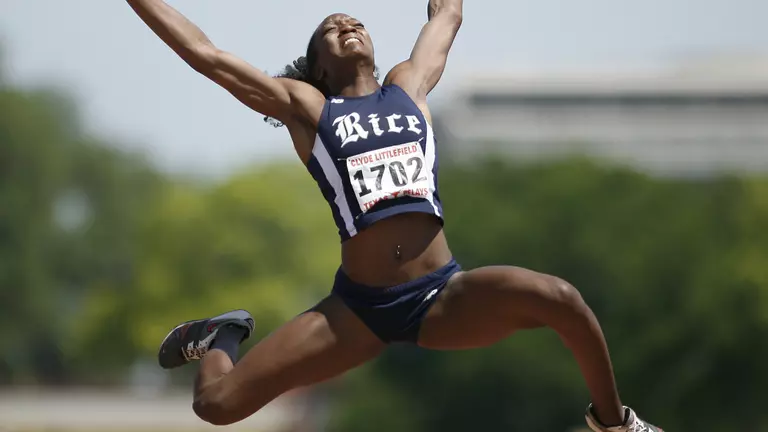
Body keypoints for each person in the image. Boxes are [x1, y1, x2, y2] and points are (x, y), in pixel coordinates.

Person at [125, 0, 663, 431]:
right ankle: (223, 334)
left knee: (561, 299)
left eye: (354, 21)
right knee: (217, 405)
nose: (347, 24)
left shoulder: (409, 87)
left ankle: (615, 424)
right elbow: (204, 54)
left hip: (441, 296)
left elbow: (448, 13)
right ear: (320, 68)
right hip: (358, 310)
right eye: (332, 29)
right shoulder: (309, 109)